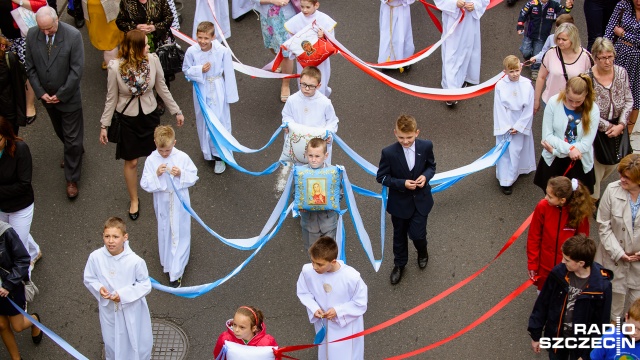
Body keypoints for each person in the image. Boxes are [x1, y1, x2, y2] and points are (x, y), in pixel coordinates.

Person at [99, 30, 184, 221]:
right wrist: (104, 125)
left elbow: (161, 87)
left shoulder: (153, 60)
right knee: (132, 161)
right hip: (127, 119)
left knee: (158, 154)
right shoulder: (115, 68)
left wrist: (176, 111)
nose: (148, 47)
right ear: (135, 48)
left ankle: (160, 187)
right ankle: (134, 199)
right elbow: (111, 98)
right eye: (145, 45)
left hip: (149, 116)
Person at [25, 6, 85, 199]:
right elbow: (30, 67)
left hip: (68, 97)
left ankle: (71, 177)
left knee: (72, 138)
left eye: (48, 28)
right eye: (42, 29)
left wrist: (61, 93)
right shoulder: (33, 35)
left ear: (57, 20)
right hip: (47, 99)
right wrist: (41, 93)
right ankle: (74, 150)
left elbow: (77, 70)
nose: (45, 33)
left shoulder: (73, 36)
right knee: (62, 132)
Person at [528, 234, 613, 360]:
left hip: (581, 345)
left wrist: (586, 355)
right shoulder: (558, 273)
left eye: (567, 260)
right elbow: (542, 305)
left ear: (581, 263)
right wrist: (536, 336)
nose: (562, 262)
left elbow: (601, 324)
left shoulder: (601, 287)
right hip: (558, 339)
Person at [376, 114, 436, 285]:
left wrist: (425, 177)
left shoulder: (426, 146)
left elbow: (431, 166)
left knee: (417, 234)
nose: (406, 141)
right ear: (395, 133)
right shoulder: (388, 153)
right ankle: (399, 264)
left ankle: (422, 251)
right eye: (401, 137)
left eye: (409, 137)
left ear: (417, 133)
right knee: (399, 234)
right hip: (399, 204)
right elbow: (382, 177)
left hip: (420, 200)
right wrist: (402, 183)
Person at [83, 217, 153, 360]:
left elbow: (145, 285)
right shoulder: (95, 257)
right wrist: (99, 288)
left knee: (135, 342)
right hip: (109, 310)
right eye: (107, 236)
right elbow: (89, 278)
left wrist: (122, 295)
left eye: (115, 236)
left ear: (125, 237)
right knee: (112, 342)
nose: (110, 241)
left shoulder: (135, 261)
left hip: (131, 310)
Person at [140, 125, 198, 288]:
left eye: (167, 151)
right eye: (161, 151)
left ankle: (177, 270)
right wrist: (156, 174)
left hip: (179, 201)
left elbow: (193, 176)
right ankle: (168, 262)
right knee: (166, 230)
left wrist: (180, 174)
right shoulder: (151, 160)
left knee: (180, 231)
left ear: (174, 143)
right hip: (163, 201)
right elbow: (144, 183)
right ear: (155, 144)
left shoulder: (182, 157)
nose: (164, 154)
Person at [296, 236, 368, 359]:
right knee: (325, 351)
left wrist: (338, 311)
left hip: (346, 325)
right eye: (312, 261)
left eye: (319, 264)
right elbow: (304, 292)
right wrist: (314, 308)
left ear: (333, 261)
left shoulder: (352, 277)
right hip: (324, 322)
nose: (314, 267)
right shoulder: (307, 271)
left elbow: (360, 303)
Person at [183, 21, 237, 174]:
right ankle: (208, 151)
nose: (202, 41)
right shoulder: (191, 51)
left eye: (206, 38)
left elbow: (229, 73)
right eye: (200, 37)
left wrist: (230, 96)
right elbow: (186, 70)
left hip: (217, 87)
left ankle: (221, 155)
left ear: (213, 37)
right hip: (201, 88)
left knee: (219, 120)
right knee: (204, 120)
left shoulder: (222, 51)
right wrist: (199, 70)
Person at [533, 75, 600, 194]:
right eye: (570, 100)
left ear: (586, 96)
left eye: (578, 101)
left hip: (578, 161)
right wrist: (570, 149)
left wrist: (556, 151)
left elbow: (586, 144)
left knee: (576, 202)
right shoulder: (553, 102)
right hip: (555, 161)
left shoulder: (593, 109)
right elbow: (547, 137)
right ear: (565, 91)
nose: (574, 104)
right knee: (553, 197)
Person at [527, 176, 593, 292]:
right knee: (543, 295)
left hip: (567, 268)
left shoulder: (578, 212)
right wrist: (532, 264)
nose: (545, 198)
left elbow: (582, 243)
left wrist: (575, 266)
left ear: (562, 200)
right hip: (544, 266)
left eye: (550, 196)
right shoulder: (542, 207)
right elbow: (534, 237)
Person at [596, 154, 640, 321]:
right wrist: (619, 253)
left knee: (637, 311)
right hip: (613, 259)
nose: (621, 179)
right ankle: (613, 341)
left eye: (627, 177)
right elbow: (603, 225)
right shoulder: (612, 191)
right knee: (613, 310)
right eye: (621, 174)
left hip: (638, 264)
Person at [589, 37, 634, 201]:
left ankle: (587, 190)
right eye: (603, 58)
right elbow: (588, 110)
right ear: (595, 57)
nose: (607, 61)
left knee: (613, 163)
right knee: (596, 168)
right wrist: (608, 126)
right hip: (597, 130)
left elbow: (629, 100)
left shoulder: (621, 72)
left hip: (618, 127)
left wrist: (621, 125)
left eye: (610, 57)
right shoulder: (588, 78)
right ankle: (592, 200)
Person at [0, 117, 41, 268]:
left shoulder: (20, 149)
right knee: (12, 235)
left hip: (20, 207)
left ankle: (25, 286)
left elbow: (24, 185)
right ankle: (35, 251)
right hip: (2, 207)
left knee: (17, 250)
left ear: (6, 135)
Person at [493, 55, 536, 195]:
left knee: (517, 150)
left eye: (517, 70)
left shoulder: (527, 84)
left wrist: (519, 126)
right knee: (506, 152)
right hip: (506, 120)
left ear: (521, 67)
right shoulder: (500, 85)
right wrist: (506, 127)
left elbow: (529, 108)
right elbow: (499, 107)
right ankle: (506, 181)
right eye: (511, 71)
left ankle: (519, 170)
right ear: (505, 72)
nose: (515, 74)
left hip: (521, 119)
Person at [434, 0, 489, 106]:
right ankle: (451, 89)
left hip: (470, 18)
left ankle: (465, 76)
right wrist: (454, 4)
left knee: (468, 46)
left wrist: (475, 5)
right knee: (452, 52)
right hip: (453, 19)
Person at [0, 221, 42, 360]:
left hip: (10, 289)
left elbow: (23, 259)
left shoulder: (6, 232)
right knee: (1, 325)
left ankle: (34, 320)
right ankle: (16, 358)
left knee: (18, 326)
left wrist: (8, 285)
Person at [0, 0, 45, 125]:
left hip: (24, 35)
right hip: (6, 37)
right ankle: (16, 98)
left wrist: (18, 1)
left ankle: (29, 105)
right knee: (10, 69)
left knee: (27, 68)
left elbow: (41, 4)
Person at [282, 66, 338, 164]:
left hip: (317, 146)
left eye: (311, 86)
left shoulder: (325, 102)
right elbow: (287, 115)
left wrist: (329, 134)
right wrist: (287, 125)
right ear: (300, 80)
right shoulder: (292, 99)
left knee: (318, 174)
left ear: (319, 85)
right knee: (300, 173)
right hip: (298, 144)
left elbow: (332, 121)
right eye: (303, 84)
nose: (306, 89)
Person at [534, 23, 593, 115]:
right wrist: (536, 100)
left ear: (573, 39)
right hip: (551, 102)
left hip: (575, 104)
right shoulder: (550, 53)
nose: (560, 42)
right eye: (558, 38)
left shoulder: (585, 57)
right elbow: (541, 77)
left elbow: (590, 82)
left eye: (564, 39)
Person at [284, 0, 336, 98]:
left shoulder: (324, 19)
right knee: (304, 79)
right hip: (304, 60)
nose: (304, 10)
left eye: (308, 7)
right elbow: (290, 40)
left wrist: (324, 36)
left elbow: (332, 41)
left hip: (320, 58)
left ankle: (321, 99)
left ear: (316, 5)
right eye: (302, 7)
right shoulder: (296, 20)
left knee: (321, 79)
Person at [605, 0, 640, 138]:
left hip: (637, 60)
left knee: (636, 96)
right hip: (619, 55)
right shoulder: (622, 6)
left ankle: (628, 134)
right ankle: (612, 129)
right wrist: (604, 53)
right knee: (614, 92)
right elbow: (609, 30)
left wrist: (624, 34)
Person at [296, 138, 338, 252]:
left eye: (317, 156)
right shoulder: (300, 172)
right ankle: (315, 270)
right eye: (310, 155)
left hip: (328, 221)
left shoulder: (333, 172)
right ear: (305, 154)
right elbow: (295, 193)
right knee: (312, 252)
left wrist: (331, 199)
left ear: (326, 155)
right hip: (309, 222)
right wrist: (300, 205)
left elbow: (340, 194)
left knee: (328, 252)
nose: (313, 160)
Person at [251, 0, 296, 102]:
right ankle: (280, 63)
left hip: (286, 16)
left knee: (286, 53)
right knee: (271, 45)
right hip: (267, 16)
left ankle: (285, 84)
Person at [516, 0, 573, 80]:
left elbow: (562, 14)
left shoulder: (554, 4)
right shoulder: (531, 3)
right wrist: (520, 26)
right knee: (525, 51)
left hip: (542, 36)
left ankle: (535, 69)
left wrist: (567, 7)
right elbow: (523, 14)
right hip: (529, 34)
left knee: (537, 53)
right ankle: (528, 56)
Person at [212, 306, 278, 358]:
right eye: (234, 325)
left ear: (253, 328)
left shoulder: (268, 342)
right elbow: (218, 356)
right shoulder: (225, 339)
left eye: (242, 327)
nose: (236, 330)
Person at [84, 0, 124, 70]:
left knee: (108, 42)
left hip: (93, 6)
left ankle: (113, 66)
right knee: (109, 44)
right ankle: (115, 74)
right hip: (106, 6)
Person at [0, 36, 27, 136]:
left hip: (8, 113)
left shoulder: (9, 58)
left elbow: (18, 88)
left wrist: (21, 117)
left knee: (10, 143)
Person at [378, 0, 415, 72]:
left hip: (402, 8)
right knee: (387, 36)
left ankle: (404, 59)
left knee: (403, 35)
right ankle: (386, 60)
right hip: (387, 8)